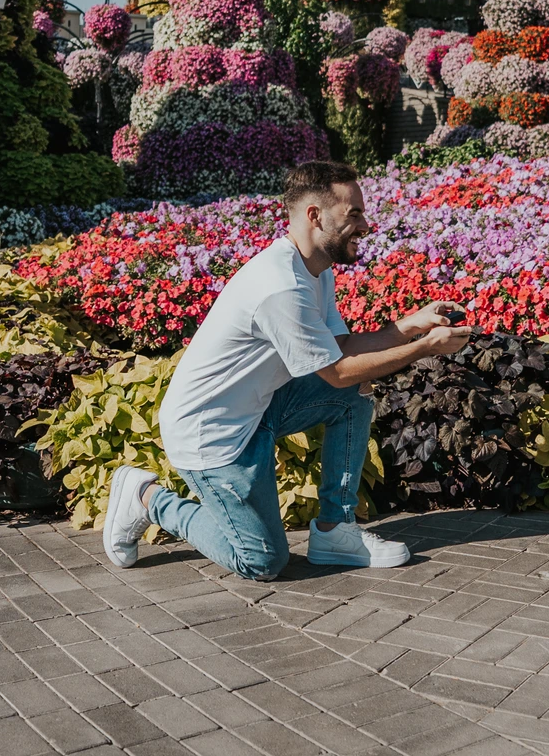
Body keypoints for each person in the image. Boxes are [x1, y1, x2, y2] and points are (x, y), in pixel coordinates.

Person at [103, 160, 471, 580]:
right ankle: (147, 498)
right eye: (354, 214)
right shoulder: (281, 286)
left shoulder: (313, 270)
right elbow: (337, 372)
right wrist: (423, 347)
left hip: (257, 410)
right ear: (315, 215)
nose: (366, 226)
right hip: (211, 435)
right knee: (262, 561)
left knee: (353, 395)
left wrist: (411, 325)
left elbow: (340, 349)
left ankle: (335, 531)